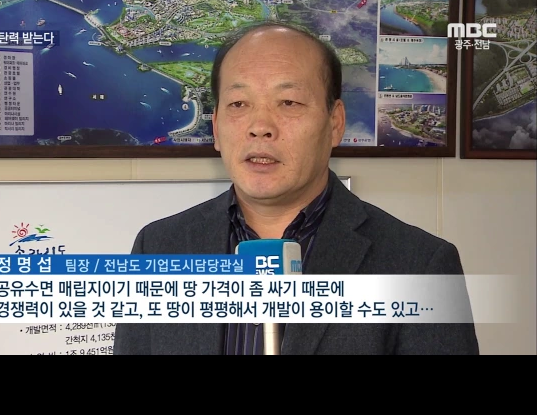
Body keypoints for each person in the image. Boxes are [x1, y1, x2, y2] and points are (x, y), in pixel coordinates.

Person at [114, 20, 480, 355]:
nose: (260, 127)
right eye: (238, 103)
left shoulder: (420, 265)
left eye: (288, 102)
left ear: (335, 123)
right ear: (216, 128)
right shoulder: (158, 248)